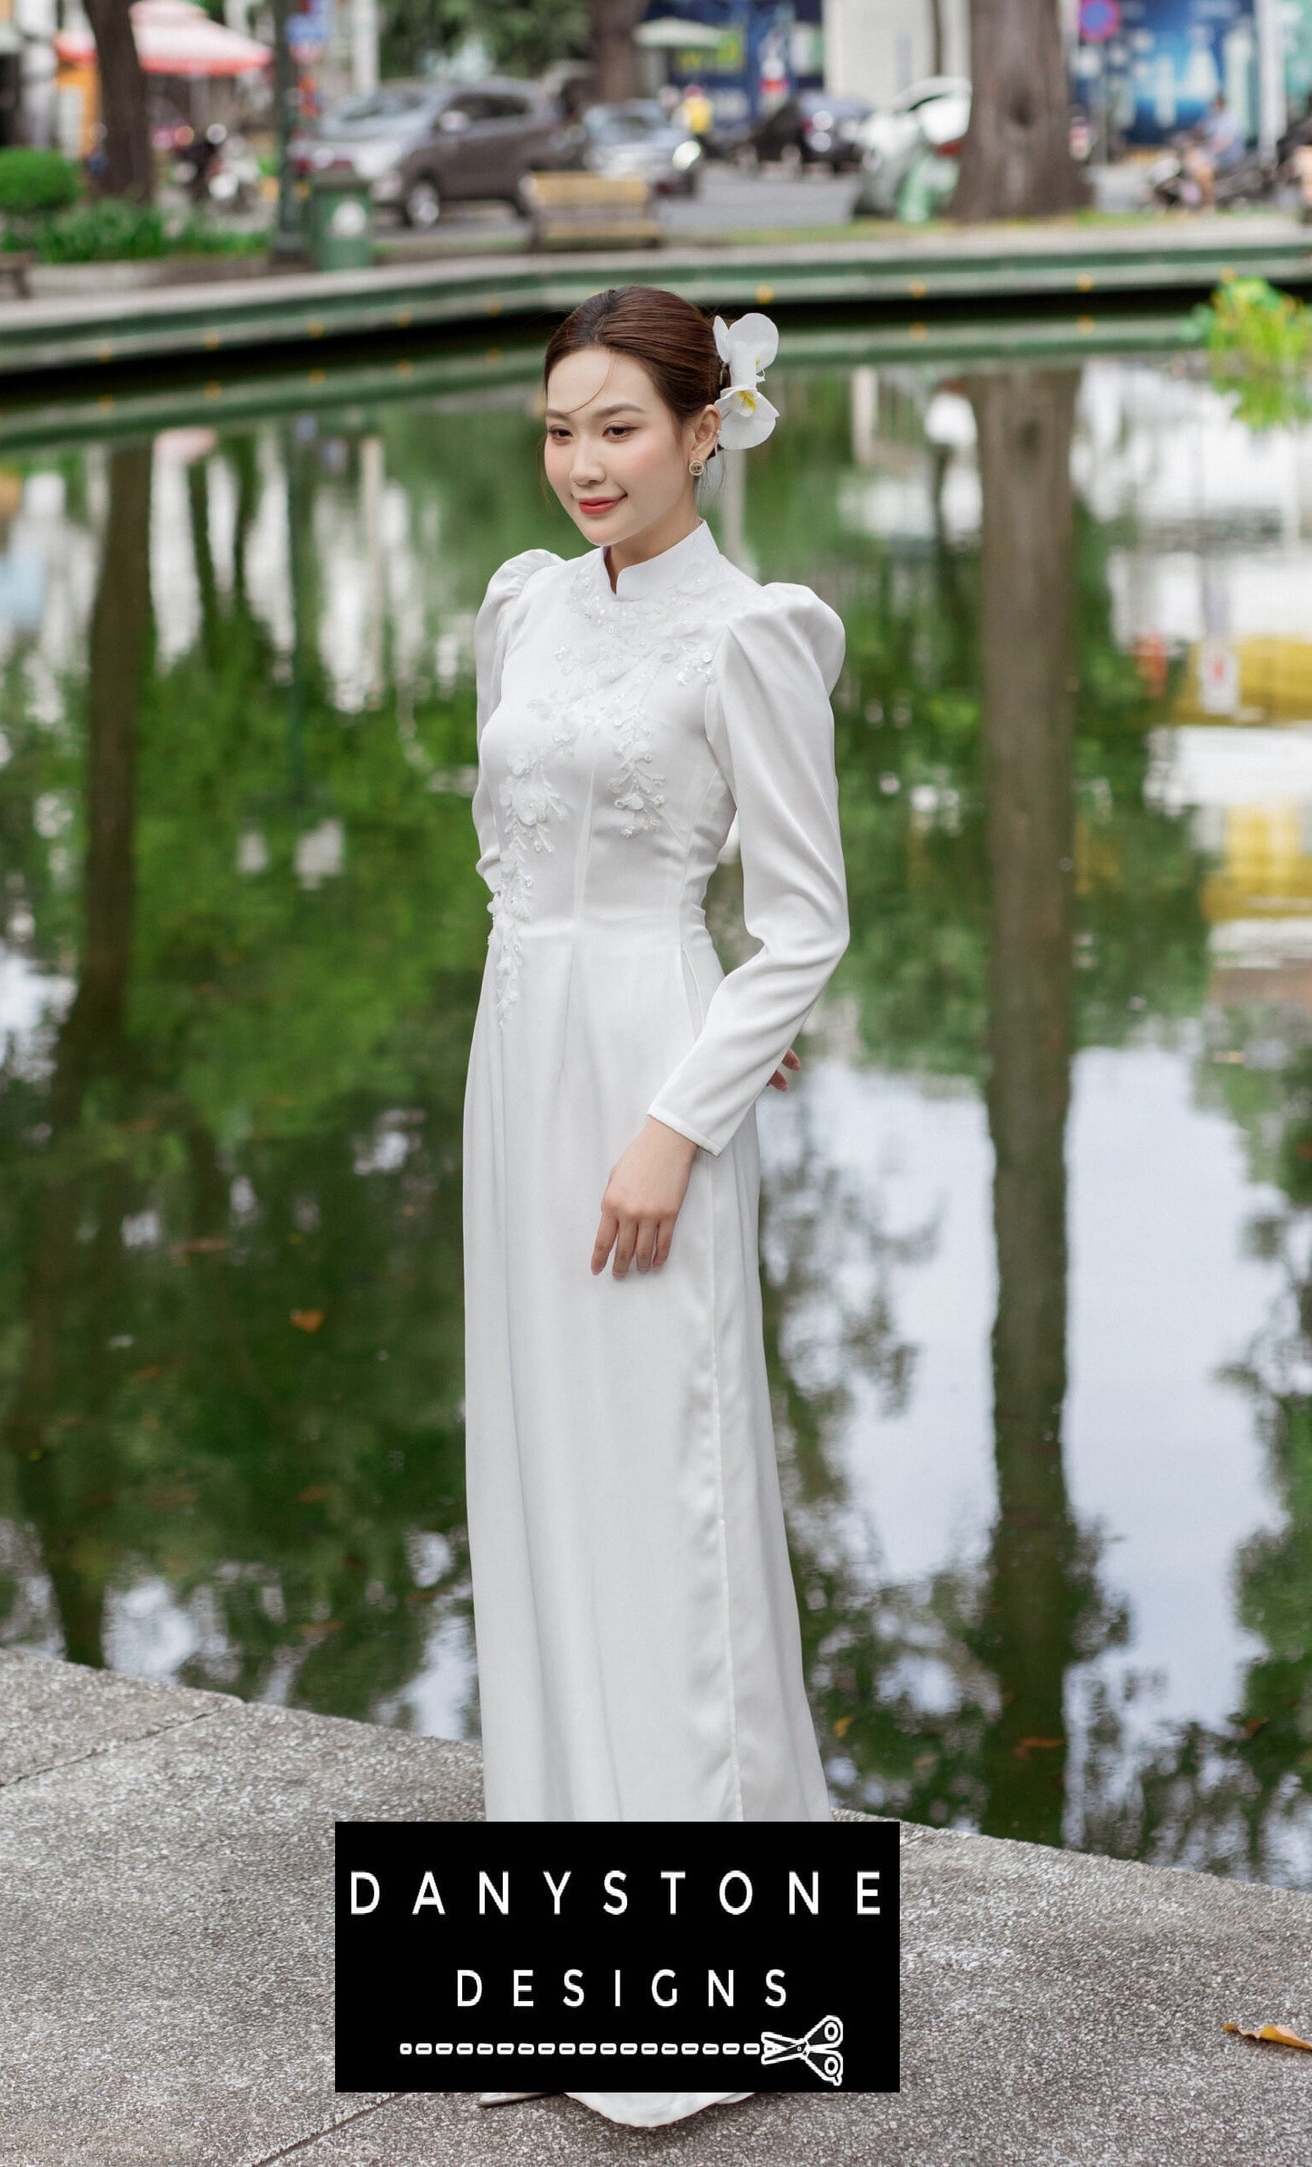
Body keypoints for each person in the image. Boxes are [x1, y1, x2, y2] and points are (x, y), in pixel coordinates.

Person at [462, 284, 849, 2129]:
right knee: (542, 1472)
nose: (583, 461)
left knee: (667, 1483)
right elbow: (509, 858)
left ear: (711, 426)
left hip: (648, 1085)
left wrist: (679, 1115)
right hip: (517, 1056)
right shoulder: (525, 605)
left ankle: (714, 1988)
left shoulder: (753, 639)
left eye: (619, 425)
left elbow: (803, 925)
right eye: (559, 428)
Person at [1182, 91, 1246, 208]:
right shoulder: (1211, 117)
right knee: (1193, 160)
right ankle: (1197, 199)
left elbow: (1225, 143)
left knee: (1203, 169)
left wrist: (1209, 150)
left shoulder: (1230, 119)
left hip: (1227, 154)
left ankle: (1207, 202)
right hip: (1212, 152)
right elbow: (1200, 131)